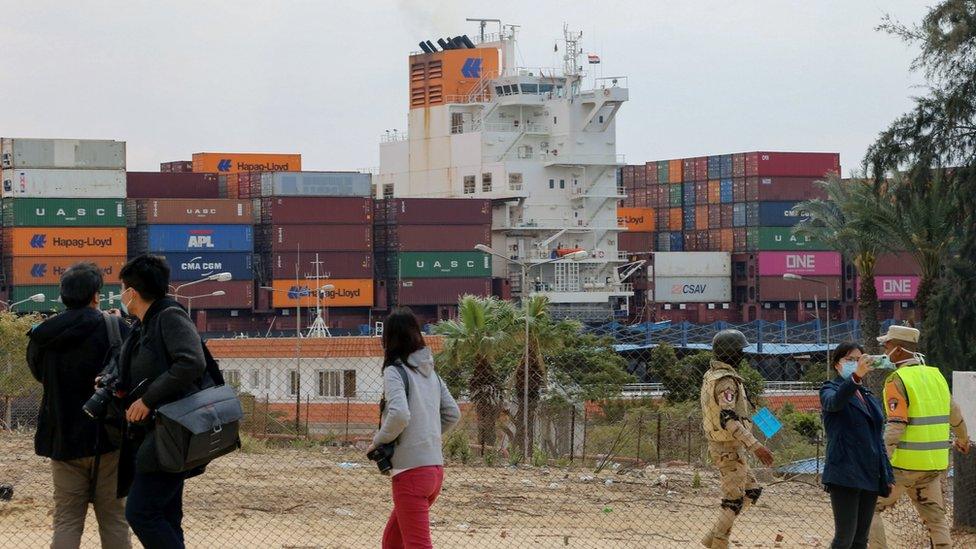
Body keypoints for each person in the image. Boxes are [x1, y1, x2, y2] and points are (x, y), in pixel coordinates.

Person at [27, 262, 132, 549]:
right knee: (114, 519)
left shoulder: (42, 335)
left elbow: (39, 375)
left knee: (67, 520)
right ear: (96, 295)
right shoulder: (114, 327)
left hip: (63, 440)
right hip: (108, 441)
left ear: (62, 296)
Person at [114, 254, 208, 549]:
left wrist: (148, 399)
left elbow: (191, 362)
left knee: (141, 512)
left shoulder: (169, 315)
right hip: (155, 431)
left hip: (172, 430)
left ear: (131, 292)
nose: (120, 295)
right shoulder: (143, 323)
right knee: (167, 514)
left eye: (121, 288)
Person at [868, 325, 970, 548]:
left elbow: (896, 425)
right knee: (936, 520)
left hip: (903, 466)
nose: (884, 350)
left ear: (898, 349)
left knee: (867, 508)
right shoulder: (936, 376)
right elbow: (955, 414)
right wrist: (963, 440)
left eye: (887, 345)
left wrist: (881, 460)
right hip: (933, 465)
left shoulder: (897, 380)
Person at [368, 307, 461, 549]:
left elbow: (399, 414)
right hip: (434, 471)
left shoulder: (394, 371)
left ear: (388, 339)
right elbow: (452, 414)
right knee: (392, 542)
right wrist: (424, 438)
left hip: (410, 474)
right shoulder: (431, 374)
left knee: (417, 545)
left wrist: (379, 440)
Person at [700, 329, 774, 549]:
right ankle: (719, 542)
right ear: (731, 353)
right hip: (728, 446)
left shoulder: (712, 375)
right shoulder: (726, 381)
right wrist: (756, 446)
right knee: (732, 500)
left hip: (727, 445)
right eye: (739, 351)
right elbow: (729, 419)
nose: (742, 355)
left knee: (751, 491)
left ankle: (712, 537)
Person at [820, 342, 893, 549]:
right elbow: (834, 403)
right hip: (845, 471)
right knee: (845, 538)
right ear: (837, 364)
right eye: (849, 360)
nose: (855, 363)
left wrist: (887, 473)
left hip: (869, 472)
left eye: (859, 359)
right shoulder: (829, 388)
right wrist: (855, 377)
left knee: (861, 539)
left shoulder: (867, 395)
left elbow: (877, 437)